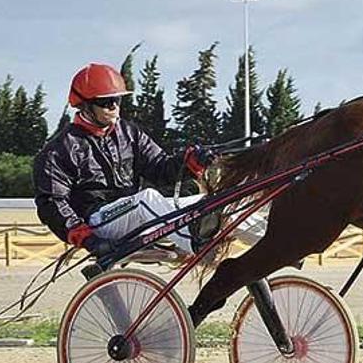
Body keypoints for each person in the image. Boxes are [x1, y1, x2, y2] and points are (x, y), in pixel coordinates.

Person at [33, 63, 265, 261]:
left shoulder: (129, 133)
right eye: (106, 102)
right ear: (84, 105)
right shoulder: (60, 148)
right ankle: (199, 247)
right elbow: (52, 203)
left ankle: (276, 239)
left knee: (216, 201)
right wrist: (88, 239)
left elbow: (161, 168)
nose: (114, 106)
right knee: (147, 199)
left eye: (117, 100)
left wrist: (191, 162)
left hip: (138, 214)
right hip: (98, 223)